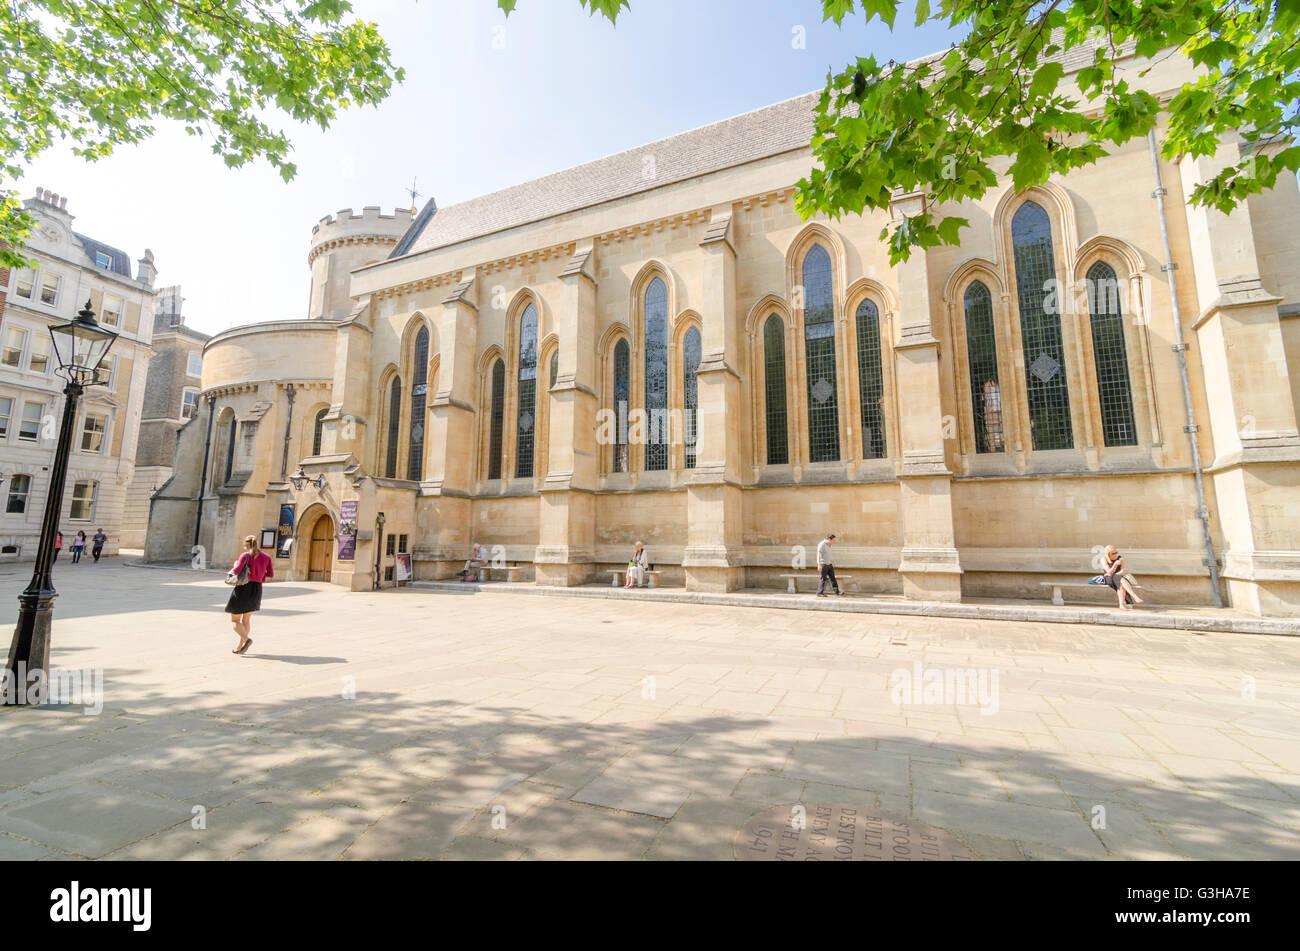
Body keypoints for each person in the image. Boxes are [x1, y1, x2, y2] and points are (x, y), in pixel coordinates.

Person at [225, 534, 273, 654]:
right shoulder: (266, 557)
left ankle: (246, 640)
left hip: (243, 587)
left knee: (235, 620)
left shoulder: (245, 555)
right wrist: (259, 573)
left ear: (246, 544)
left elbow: (236, 571)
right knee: (246, 619)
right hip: (257, 589)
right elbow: (270, 574)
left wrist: (236, 564)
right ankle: (240, 646)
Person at [1101, 545, 1143, 610]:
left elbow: (1124, 570)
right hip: (1109, 579)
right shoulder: (1104, 559)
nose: (1116, 554)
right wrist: (1115, 565)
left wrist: (1116, 575)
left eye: (1116, 552)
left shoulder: (1120, 558)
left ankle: (1121, 605)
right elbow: (1109, 572)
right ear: (1108, 554)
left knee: (1120, 584)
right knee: (1119, 579)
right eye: (1113, 553)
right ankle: (1135, 597)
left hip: (1118, 577)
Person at [816, 533, 842, 597]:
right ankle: (819, 593)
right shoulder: (822, 544)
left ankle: (837, 592)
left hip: (829, 564)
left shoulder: (829, 545)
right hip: (823, 564)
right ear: (829, 539)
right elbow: (818, 554)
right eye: (833, 540)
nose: (834, 541)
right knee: (823, 579)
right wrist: (819, 564)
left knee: (833, 578)